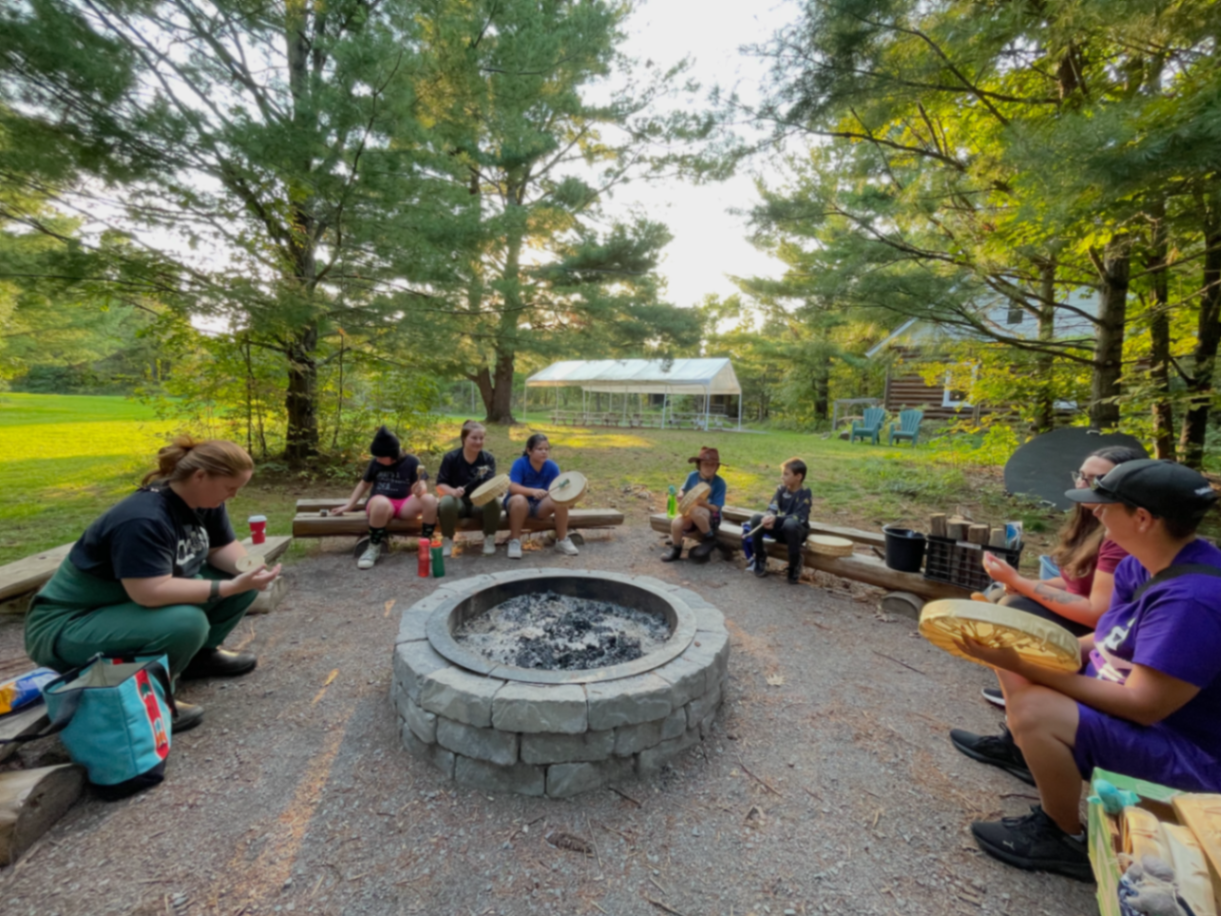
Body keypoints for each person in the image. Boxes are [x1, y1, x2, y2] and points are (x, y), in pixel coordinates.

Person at [949, 459, 1221, 882]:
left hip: (1188, 757)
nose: (1095, 512)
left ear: (1143, 518)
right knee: (1016, 656)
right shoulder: (1142, 563)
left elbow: (1144, 706)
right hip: (1136, 716)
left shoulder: (1193, 601)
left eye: (1105, 506)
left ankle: (1063, 836)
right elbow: (1106, 639)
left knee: (1035, 708)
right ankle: (1029, 752)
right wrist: (1023, 650)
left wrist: (1024, 665)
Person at [24, 437, 281, 733]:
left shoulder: (204, 501)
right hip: (67, 626)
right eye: (230, 487)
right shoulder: (142, 519)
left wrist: (250, 570)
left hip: (122, 607)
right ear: (200, 476)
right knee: (187, 621)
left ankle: (198, 658)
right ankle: (152, 699)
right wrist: (227, 588)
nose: (233, 496)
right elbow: (149, 593)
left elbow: (221, 547)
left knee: (240, 583)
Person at [975, 445, 1143, 707]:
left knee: (1013, 606)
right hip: (1084, 617)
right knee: (998, 593)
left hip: (1107, 633)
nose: (1083, 484)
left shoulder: (1117, 537)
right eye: (1081, 476)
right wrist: (1022, 583)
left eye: (1096, 480)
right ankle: (1022, 684)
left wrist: (1021, 583)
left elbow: (1097, 613)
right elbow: (1074, 579)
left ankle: (1038, 692)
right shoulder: (1088, 520)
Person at [332, 426, 437, 570]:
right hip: (380, 504)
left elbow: (422, 484)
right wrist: (349, 505)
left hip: (404, 503)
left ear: (392, 455)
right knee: (381, 503)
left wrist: (420, 489)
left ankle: (425, 543)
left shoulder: (412, 461)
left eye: (381, 456)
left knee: (430, 500)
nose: (378, 459)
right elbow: (364, 484)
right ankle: (373, 547)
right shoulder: (375, 463)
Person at [504, 434, 579, 559]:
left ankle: (562, 540)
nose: (544, 452)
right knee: (519, 499)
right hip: (519, 507)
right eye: (539, 449)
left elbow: (556, 490)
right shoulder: (520, 464)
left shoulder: (552, 467)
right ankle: (515, 541)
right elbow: (512, 487)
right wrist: (532, 491)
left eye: (546, 449)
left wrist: (569, 497)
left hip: (540, 507)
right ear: (529, 450)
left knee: (560, 501)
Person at [436, 420, 500, 557]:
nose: (478, 442)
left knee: (494, 501)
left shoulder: (488, 459)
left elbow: (490, 484)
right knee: (446, 501)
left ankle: (489, 539)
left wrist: (498, 489)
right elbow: (440, 485)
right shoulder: (451, 458)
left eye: (481, 438)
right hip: (457, 503)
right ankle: (447, 540)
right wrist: (453, 492)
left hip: (479, 503)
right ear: (464, 438)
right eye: (474, 438)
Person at [747, 458, 813, 583]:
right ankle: (760, 556)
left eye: (786, 474)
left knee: (790, 524)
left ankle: (794, 563)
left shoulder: (805, 492)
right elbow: (772, 507)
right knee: (756, 519)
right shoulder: (781, 489)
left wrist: (776, 518)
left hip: (796, 532)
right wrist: (769, 516)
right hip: (781, 528)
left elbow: (799, 516)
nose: (782, 477)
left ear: (798, 477)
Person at [661, 446, 727, 563]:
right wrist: (681, 494)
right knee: (676, 523)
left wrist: (703, 503)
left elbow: (716, 508)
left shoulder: (720, 483)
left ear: (717, 467)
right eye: (705, 464)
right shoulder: (692, 476)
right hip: (692, 514)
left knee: (695, 510)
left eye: (712, 465)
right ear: (699, 465)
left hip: (711, 518)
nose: (708, 467)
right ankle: (676, 548)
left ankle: (710, 538)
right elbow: (683, 489)